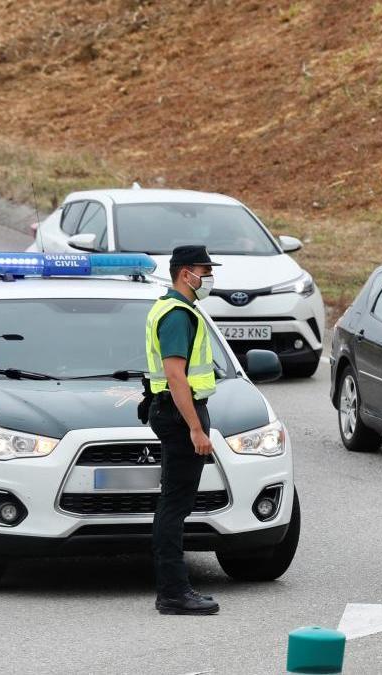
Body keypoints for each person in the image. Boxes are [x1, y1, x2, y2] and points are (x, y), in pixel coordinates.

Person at [144, 245, 223, 616]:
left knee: (174, 504)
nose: (208, 277)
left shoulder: (176, 308)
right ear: (184, 273)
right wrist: (195, 428)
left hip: (174, 413)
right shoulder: (176, 314)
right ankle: (174, 592)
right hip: (180, 416)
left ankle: (172, 589)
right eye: (204, 270)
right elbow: (175, 374)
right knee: (174, 506)